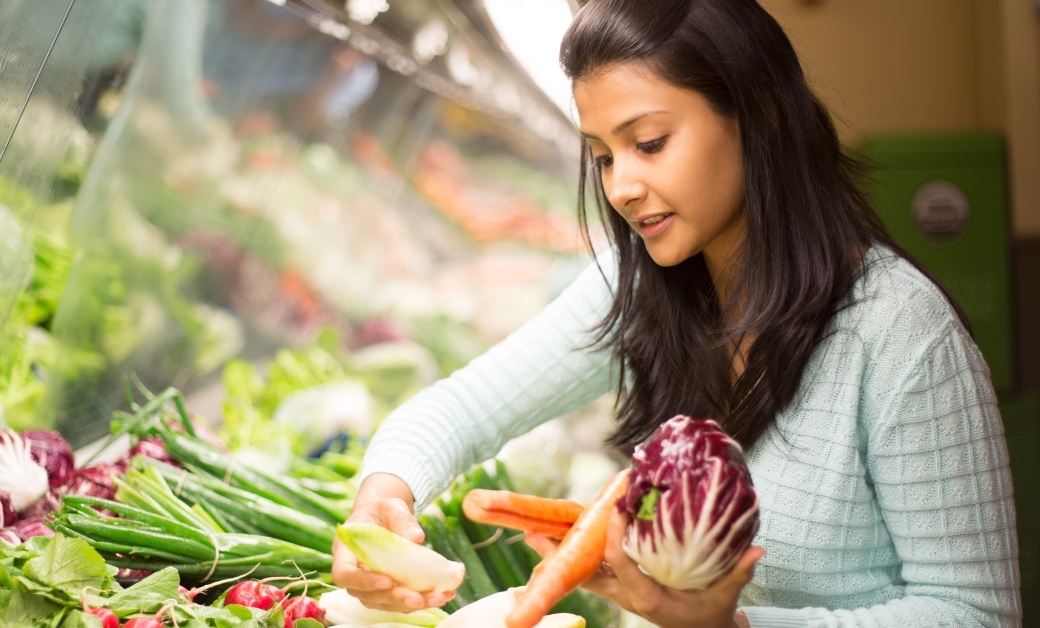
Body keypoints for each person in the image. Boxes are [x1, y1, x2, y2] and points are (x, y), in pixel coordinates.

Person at [331, 0, 1022, 626]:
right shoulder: (641, 286)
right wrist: (383, 499)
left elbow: (975, 614)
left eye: (650, 143)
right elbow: (462, 408)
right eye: (603, 157)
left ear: (759, 113)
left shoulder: (901, 331)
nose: (621, 188)